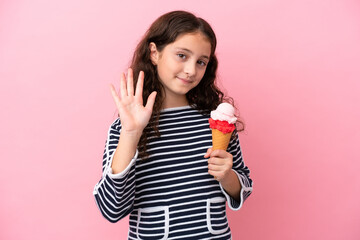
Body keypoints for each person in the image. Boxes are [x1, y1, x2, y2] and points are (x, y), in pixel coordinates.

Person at [93, 10, 253, 239]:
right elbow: (111, 209)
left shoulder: (218, 121)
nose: (191, 70)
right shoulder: (126, 126)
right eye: (181, 55)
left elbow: (243, 187)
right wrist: (131, 133)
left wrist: (227, 176)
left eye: (201, 62)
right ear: (154, 53)